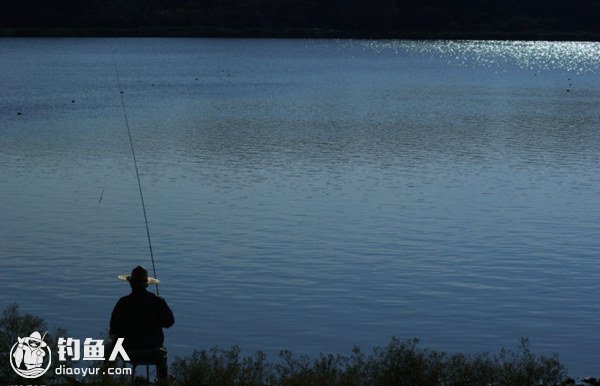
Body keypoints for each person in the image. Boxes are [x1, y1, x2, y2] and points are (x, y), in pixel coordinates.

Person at [110, 265, 174, 380]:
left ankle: (106, 381)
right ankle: (163, 381)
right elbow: (169, 322)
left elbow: (113, 329)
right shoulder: (158, 301)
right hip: (154, 352)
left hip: (129, 352)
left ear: (130, 284)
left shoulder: (123, 303)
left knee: (107, 348)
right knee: (162, 357)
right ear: (147, 284)